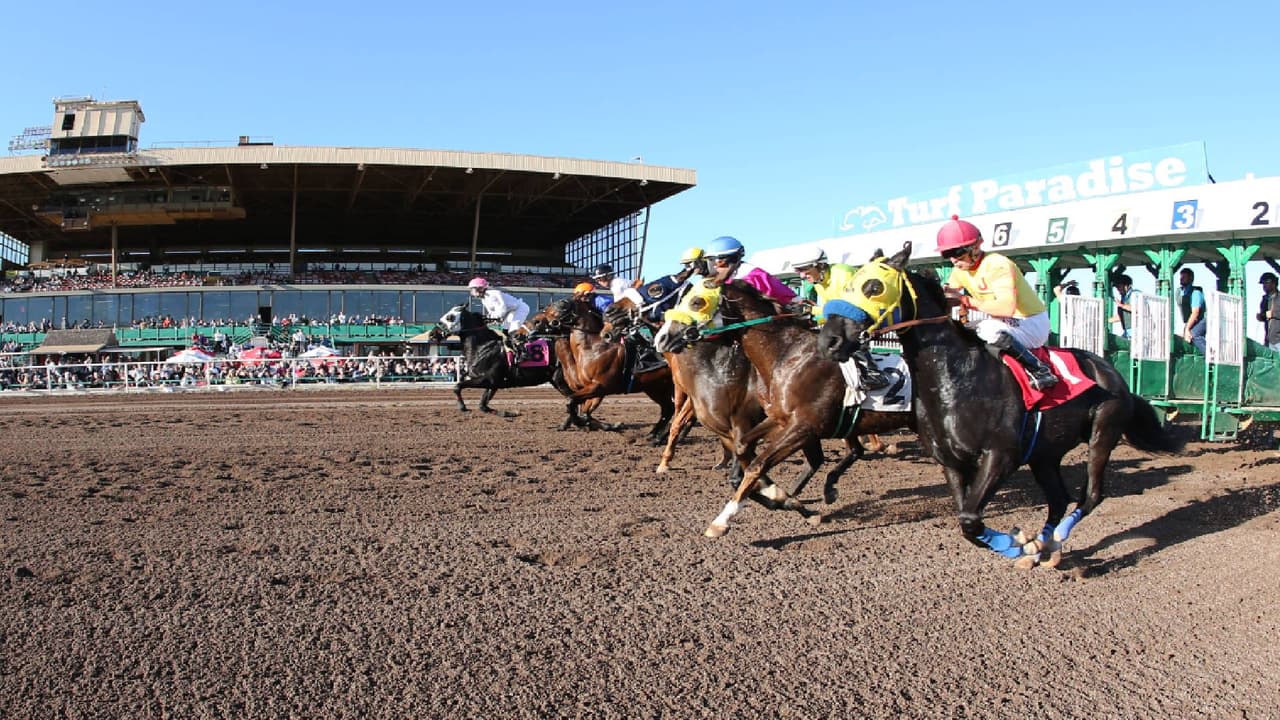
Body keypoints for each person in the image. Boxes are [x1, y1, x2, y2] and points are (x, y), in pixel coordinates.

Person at [937, 215, 1058, 391]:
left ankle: (1039, 370)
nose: (953, 260)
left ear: (975, 247)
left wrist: (965, 299)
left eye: (956, 253)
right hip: (1005, 324)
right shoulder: (959, 270)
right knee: (961, 331)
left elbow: (1006, 308)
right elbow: (949, 297)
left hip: (1030, 323)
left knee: (987, 329)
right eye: (947, 255)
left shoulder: (997, 264)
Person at [790, 245, 889, 390]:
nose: (802, 276)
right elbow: (830, 315)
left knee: (845, 333)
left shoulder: (843, 273)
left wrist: (812, 310)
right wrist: (809, 316)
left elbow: (847, 310)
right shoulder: (819, 284)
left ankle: (873, 372)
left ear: (820, 266)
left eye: (805, 270)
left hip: (867, 315)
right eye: (799, 271)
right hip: (848, 317)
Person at [704, 235, 799, 307]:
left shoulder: (754, 276)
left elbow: (787, 296)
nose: (715, 266)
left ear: (733, 259)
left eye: (719, 261)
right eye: (711, 261)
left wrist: (798, 303)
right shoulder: (715, 281)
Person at [468, 277, 531, 359]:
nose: (472, 292)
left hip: (519, 308)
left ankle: (525, 352)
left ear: (481, 288)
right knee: (502, 330)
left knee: (512, 330)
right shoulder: (484, 299)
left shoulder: (493, 294)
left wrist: (489, 318)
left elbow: (502, 309)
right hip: (510, 312)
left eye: (473, 290)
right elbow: (492, 313)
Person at [1178, 268, 1207, 353]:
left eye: (1184, 276)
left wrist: (1187, 329)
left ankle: (1211, 356)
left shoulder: (1196, 293)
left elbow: (1195, 313)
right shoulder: (1182, 293)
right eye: (1181, 276)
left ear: (1191, 278)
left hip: (1204, 320)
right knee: (1186, 337)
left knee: (1194, 334)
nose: (1181, 278)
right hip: (1195, 320)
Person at [1109, 273, 1137, 338]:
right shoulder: (1124, 297)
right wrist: (1106, 321)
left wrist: (1121, 305)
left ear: (1126, 286)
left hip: (1136, 332)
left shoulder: (1135, 294)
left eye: (1119, 286)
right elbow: (1122, 316)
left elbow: (1137, 309)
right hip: (1127, 332)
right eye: (1116, 287)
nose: (1117, 289)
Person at [1258, 271, 1280, 351]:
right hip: (1269, 340)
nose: (1264, 286)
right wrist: (1261, 316)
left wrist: (1271, 314)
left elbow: (1270, 314)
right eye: (1263, 284)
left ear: (1273, 284)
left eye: (1266, 283)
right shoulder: (1264, 299)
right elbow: (1266, 316)